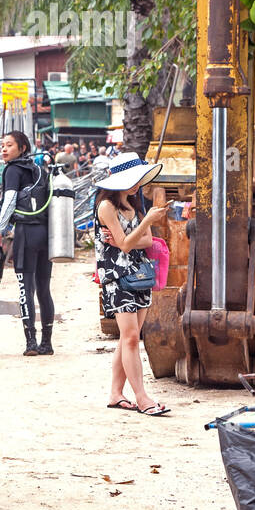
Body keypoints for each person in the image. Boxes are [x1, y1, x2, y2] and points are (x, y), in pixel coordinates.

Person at [95, 152, 170, 416]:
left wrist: (128, 238)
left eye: (138, 178)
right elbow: (127, 244)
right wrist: (145, 224)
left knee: (130, 338)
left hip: (139, 276)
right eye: (132, 179)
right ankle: (142, 397)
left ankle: (116, 394)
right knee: (129, 337)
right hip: (116, 278)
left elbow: (145, 242)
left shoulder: (134, 205)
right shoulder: (106, 207)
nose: (137, 184)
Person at [0, 130, 56, 356]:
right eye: (2, 146)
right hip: (46, 234)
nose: (4, 149)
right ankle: (47, 343)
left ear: (23, 148)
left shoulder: (12, 170)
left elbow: (9, 201)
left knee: (25, 288)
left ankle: (31, 343)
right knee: (44, 289)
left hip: (26, 234)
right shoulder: (40, 170)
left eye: (9, 145)